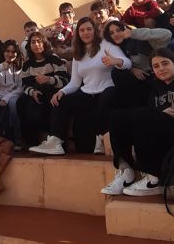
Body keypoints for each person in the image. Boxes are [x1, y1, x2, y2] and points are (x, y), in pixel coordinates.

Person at [102, 48, 174, 196]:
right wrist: (161, 113)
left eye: (165, 63)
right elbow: (153, 112)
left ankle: (154, 178)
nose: (161, 69)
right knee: (117, 116)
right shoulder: (156, 87)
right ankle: (126, 171)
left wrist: (165, 114)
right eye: (156, 66)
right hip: (161, 131)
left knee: (142, 114)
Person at [29, 17, 131, 156]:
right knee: (60, 100)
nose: (86, 33)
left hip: (107, 91)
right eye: (82, 30)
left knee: (107, 96)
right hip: (87, 93)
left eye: (89, 29)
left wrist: (115, 61)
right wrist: (62, 91)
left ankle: (101, 138)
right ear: (78, 33)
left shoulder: (106, 45)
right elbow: (75, 83)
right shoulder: (78, 54)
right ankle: (55, 142)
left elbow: (127, 63)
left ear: (95, 30)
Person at [102, 20, 172, 107]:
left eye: (118, 30)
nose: (115, 34)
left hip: (155, 76)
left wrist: (133, 33)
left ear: (125, 29)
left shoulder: (140, 39)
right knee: (117, 74)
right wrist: (132, 69)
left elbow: (167, 34)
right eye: (111, 33)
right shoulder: (115, 49)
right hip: (137, 82)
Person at [17, 32, 69, 147]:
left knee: (56, 101)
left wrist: (49, 79)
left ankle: (56, 141)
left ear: (44, 43)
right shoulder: (27, 64)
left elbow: (65, 80)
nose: (36, 44)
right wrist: (32, 92)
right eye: (33, 42)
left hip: (53, 91)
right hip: (37, 94)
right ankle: (30, 142)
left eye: (39, 41)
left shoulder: (54, 59)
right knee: (21, 101)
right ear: (29, 45)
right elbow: (25, 85)